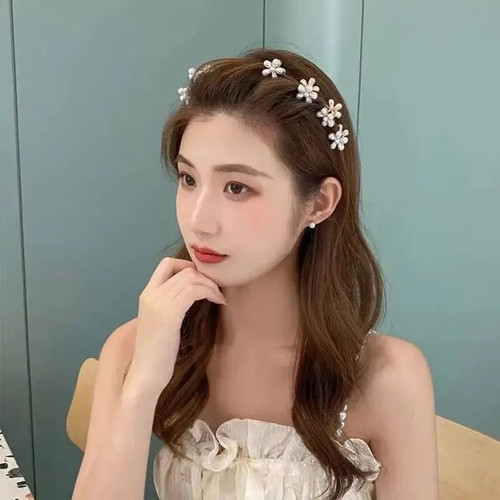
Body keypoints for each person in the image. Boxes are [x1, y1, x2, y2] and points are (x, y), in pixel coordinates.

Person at [72, 48, 439, 500]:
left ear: (319, 202)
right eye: (188, 179)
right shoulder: (134, 348)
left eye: (237, 187)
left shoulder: (387, 377)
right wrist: (144, 384)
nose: (199, 220)